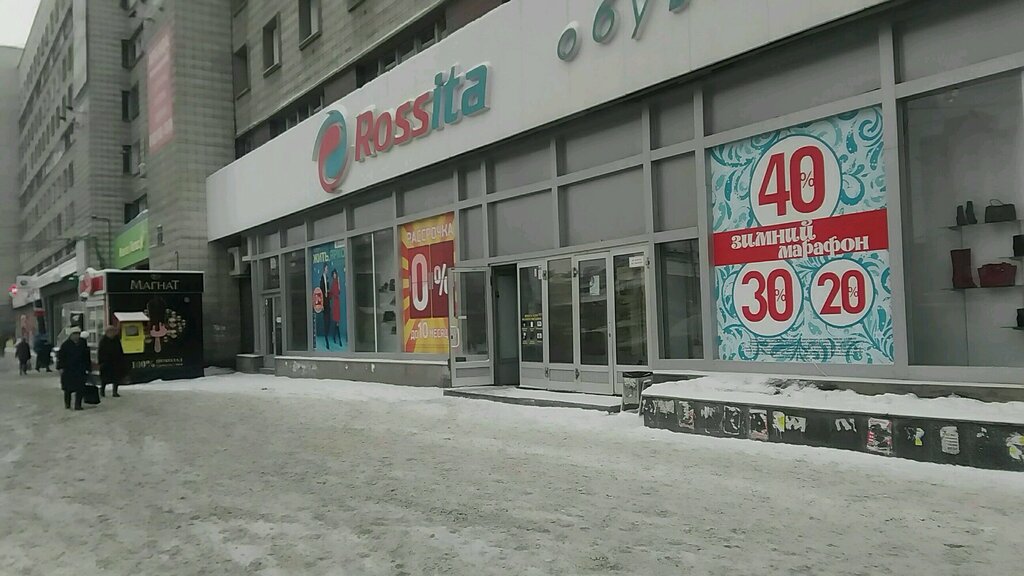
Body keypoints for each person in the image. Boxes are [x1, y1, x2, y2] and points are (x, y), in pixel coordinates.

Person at [57, 326, 91, 411]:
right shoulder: (65, 345)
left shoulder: (82, 344)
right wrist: (61, 367)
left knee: (80, 388)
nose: (76, 336)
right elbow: (61, 357)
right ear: (71, 335)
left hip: (80, 369)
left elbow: (86, 356)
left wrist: (88, 367)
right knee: (68, 388)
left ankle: (78, 405)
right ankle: (67, 403)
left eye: (78, 334)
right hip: (69, 370)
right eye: (74, 334)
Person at [97, 325, 127, 398]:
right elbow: (100, 352)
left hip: (116, 362)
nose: (113, 333)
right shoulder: (103, 341)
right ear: (107, 332)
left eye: (114, 331)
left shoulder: (116, 340)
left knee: (116, 378)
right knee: (104, 378)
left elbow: (120, 350)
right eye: (111, 331)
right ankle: (102, 391)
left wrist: (122, 360)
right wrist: (101, 362)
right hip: (106, 362)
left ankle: (115, 392)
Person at [319, 265, 333, 350]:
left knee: (329, 320)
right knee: (326, 320)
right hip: (324, 302)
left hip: (327, 301)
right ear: (324, 269)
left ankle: (327, 335)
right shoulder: (322, 278)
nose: (328, 270)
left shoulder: (327, 278)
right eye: (327, 268)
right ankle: (326, 338)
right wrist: (322, 304)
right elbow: (321, 292)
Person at [330, 269, 343, 347]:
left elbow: (339, 291)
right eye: (333, 274)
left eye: (335, 274)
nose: (334, 275)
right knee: (336, 321)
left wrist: (338, 282)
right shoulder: (333, 283)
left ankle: (335, 337)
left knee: (337, 321)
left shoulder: (336, 282)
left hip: (337, 302)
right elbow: (332, 293)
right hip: (335, 303)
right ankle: (337, 338)